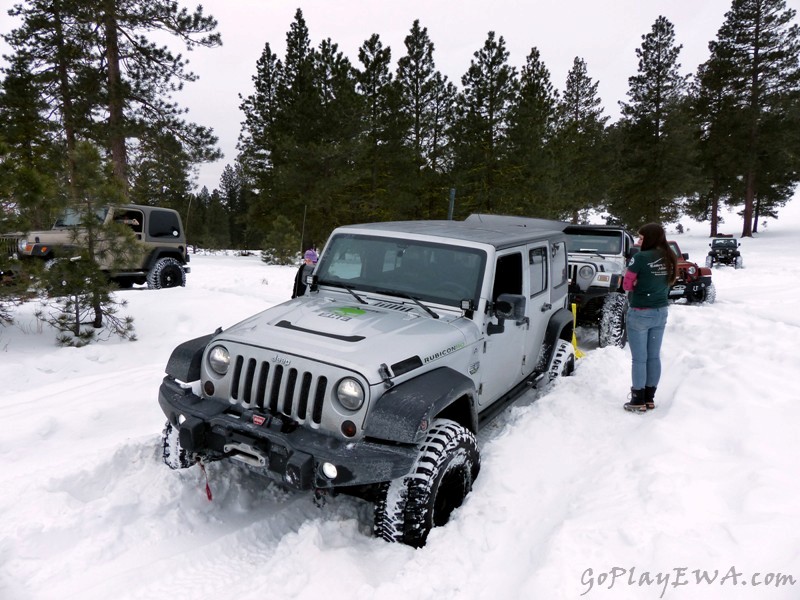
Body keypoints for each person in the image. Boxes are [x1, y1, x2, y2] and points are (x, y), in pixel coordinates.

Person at [622, 223, 677, 412]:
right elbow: (668, 281)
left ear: (650, 238)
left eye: (641, 238)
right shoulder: (669, 257)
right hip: (660, 311)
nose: (638, 241)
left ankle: (637, 399)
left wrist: (636, 282)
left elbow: (627, 285)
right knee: (653, 356)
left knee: (639, 359)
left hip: (640, 312)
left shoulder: (640, 257)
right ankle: (649, 397)